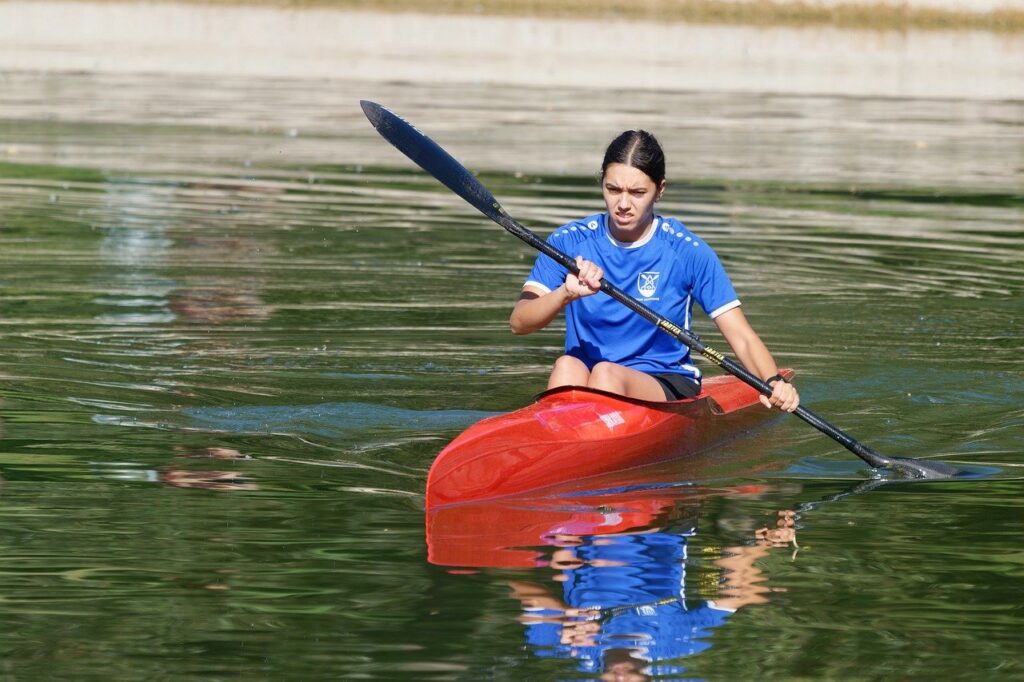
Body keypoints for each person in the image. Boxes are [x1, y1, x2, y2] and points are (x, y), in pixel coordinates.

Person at [509, 130, 800, 410]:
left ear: (660, 190)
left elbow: (740, 335)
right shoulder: (568, 241)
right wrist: (564, 294)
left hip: (664, 380)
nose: (623, 204)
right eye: (613, 189)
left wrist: (772, 380)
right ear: (601, 183)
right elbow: (519, 323)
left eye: (637, 192)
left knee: (606, 374)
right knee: (566, 365)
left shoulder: (687, 251)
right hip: (587, 375)